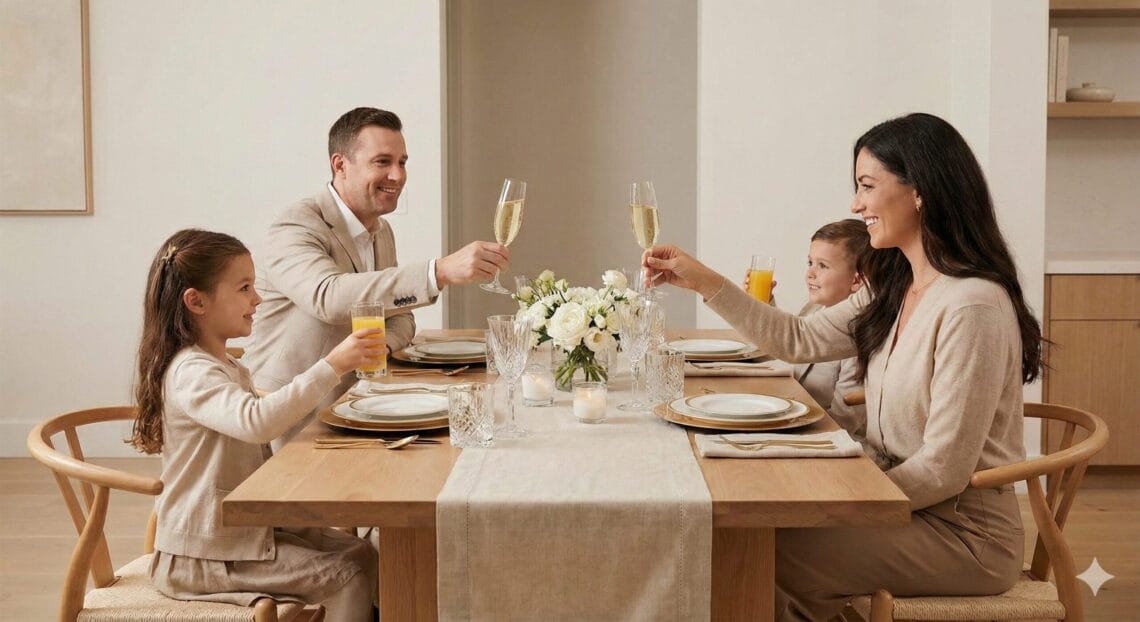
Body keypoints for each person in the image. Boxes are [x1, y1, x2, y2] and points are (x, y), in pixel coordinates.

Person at [644, 112, 1042, 621]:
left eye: (867, 186)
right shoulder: (894, 286)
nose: (856, 204)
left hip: (962, 534)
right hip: (896, 504)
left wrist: (847, 501)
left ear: (919, 190)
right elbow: (798, 337)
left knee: (752, 552)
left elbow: (943, 468)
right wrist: (700, 279)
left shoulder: (972, 306)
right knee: (742, 538)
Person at [131, 229, 383, 622]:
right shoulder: (191, 373)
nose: (258, 298)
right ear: (196, 301)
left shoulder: (225, 366)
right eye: (244, 288)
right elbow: (255, 422)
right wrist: (333, 365)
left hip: (239, 537)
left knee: (363, 553)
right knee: (347, 574)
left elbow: (260, 410)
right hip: (201, 554)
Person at [242, 107, 509, 443]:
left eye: (402, 162)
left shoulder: (380, 231)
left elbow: (401, 318)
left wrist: (378, 345)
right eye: (383, 162)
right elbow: (328, 297)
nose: (397, 175)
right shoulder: (296, 225)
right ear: (340, 165)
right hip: (289, 424)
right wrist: (437, 272)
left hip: (358, 409)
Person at [791, 219, 871, 440]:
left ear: (857, 280)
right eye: (810, 263)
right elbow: (790, 347)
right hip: (799, 426)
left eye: (822, 266)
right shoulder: (814, 308)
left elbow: (845, 421)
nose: (810, 273)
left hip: (829, 441)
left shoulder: (860, 338)